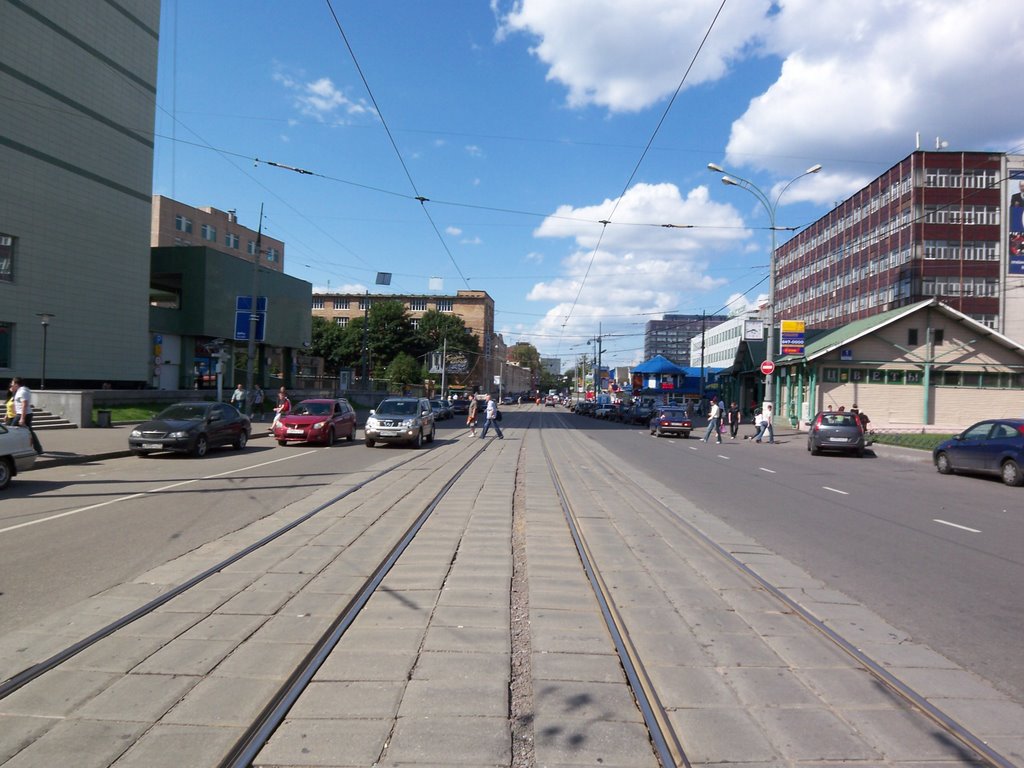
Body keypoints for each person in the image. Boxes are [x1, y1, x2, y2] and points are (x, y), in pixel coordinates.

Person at [9, 377, 43, 454]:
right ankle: (38, 449)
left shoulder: (22, 392)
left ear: (16, 384)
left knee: (12, 430)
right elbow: (15, 401)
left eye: (12, 383)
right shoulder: (19, 391)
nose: (11, 384)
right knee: (28, 432)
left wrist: (22, 418)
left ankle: (13, 449)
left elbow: (24, 405)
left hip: (23, 414)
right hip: (22, 414)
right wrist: (13, 392)